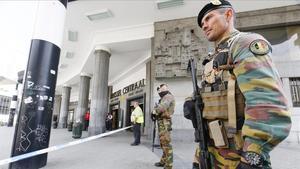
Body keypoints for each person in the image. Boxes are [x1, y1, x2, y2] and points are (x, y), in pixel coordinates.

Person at [189, 0, 292, 168]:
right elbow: (211, 92)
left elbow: (267, 104)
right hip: (210, 151)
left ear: (228, 15)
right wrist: (191, 100)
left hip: (239, 155)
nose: (204, 25)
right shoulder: (212, 59)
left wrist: (252, 156)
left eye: (209, 18)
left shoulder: (244, 44)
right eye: (202, 23)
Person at [152, 84, 175, 169]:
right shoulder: (163, 97)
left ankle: (169, 165)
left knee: (166, 144)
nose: (160, 90)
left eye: (161, 89)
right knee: (163, 143)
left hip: (165, 123)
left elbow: (162, 107)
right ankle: (163, 161)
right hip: (162, 122)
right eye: (159, 89)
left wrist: (154, 112)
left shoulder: (168, 96)